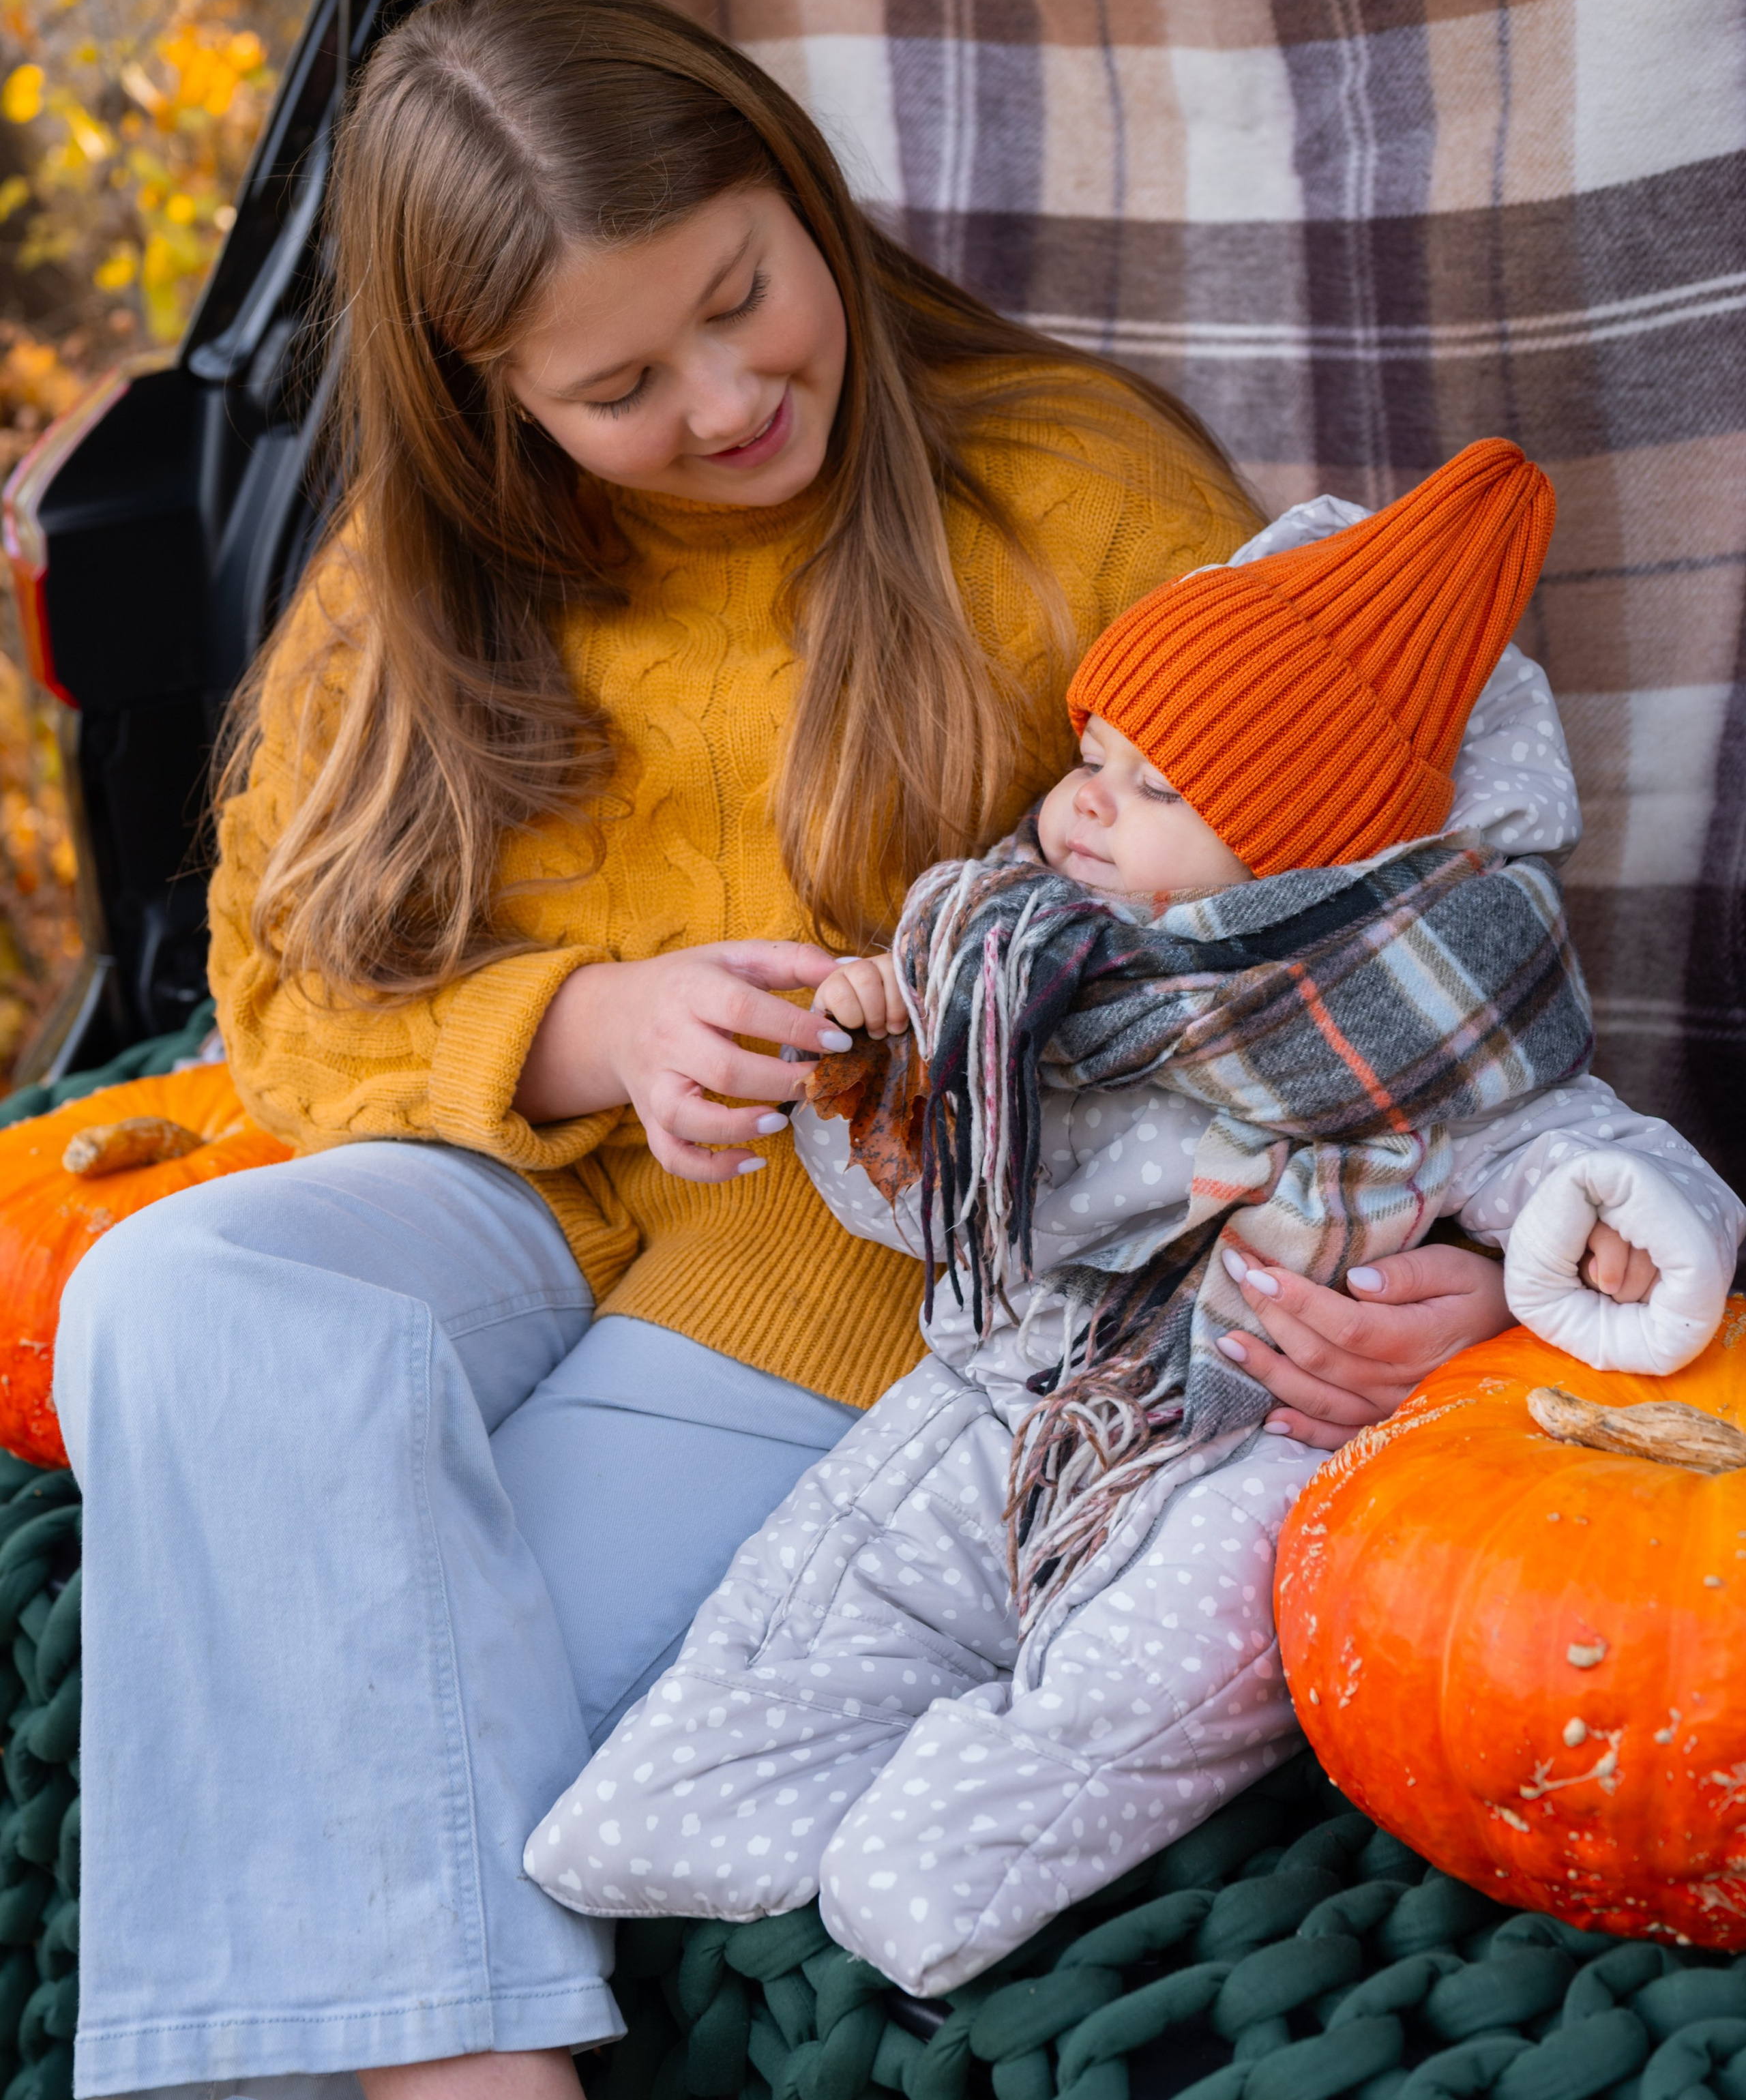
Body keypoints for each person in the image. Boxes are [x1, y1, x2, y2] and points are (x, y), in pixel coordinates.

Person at [53, 0, 1524, 2100]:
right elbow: (276, 994)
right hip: (517, 1193)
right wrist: (588, 1021)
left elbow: (1343, 930)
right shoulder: (418, 583)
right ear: (490, 402)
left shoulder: (1071, 499)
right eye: (623, 383)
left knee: (362, 1713)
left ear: (799, 198)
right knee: (174, 1288)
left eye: (746, 298)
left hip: (843, 1286)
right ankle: (484, 2091)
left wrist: (1473, 1246)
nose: (733, 397)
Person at [531, 441, 1745, 1995]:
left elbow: (1577, 1143)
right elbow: (928, 1215)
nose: (1090, 806)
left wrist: (1614, 1226)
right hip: (1019, 1383)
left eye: (1158, 789)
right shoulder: (1021, 961)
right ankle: (710, 1788)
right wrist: (880, 1078)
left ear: (1312, 847)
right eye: (1090, 755)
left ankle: (951, 1848)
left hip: (1254, 1430)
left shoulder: (1435, 1014)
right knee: (854, 1572)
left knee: (1153, 1662)